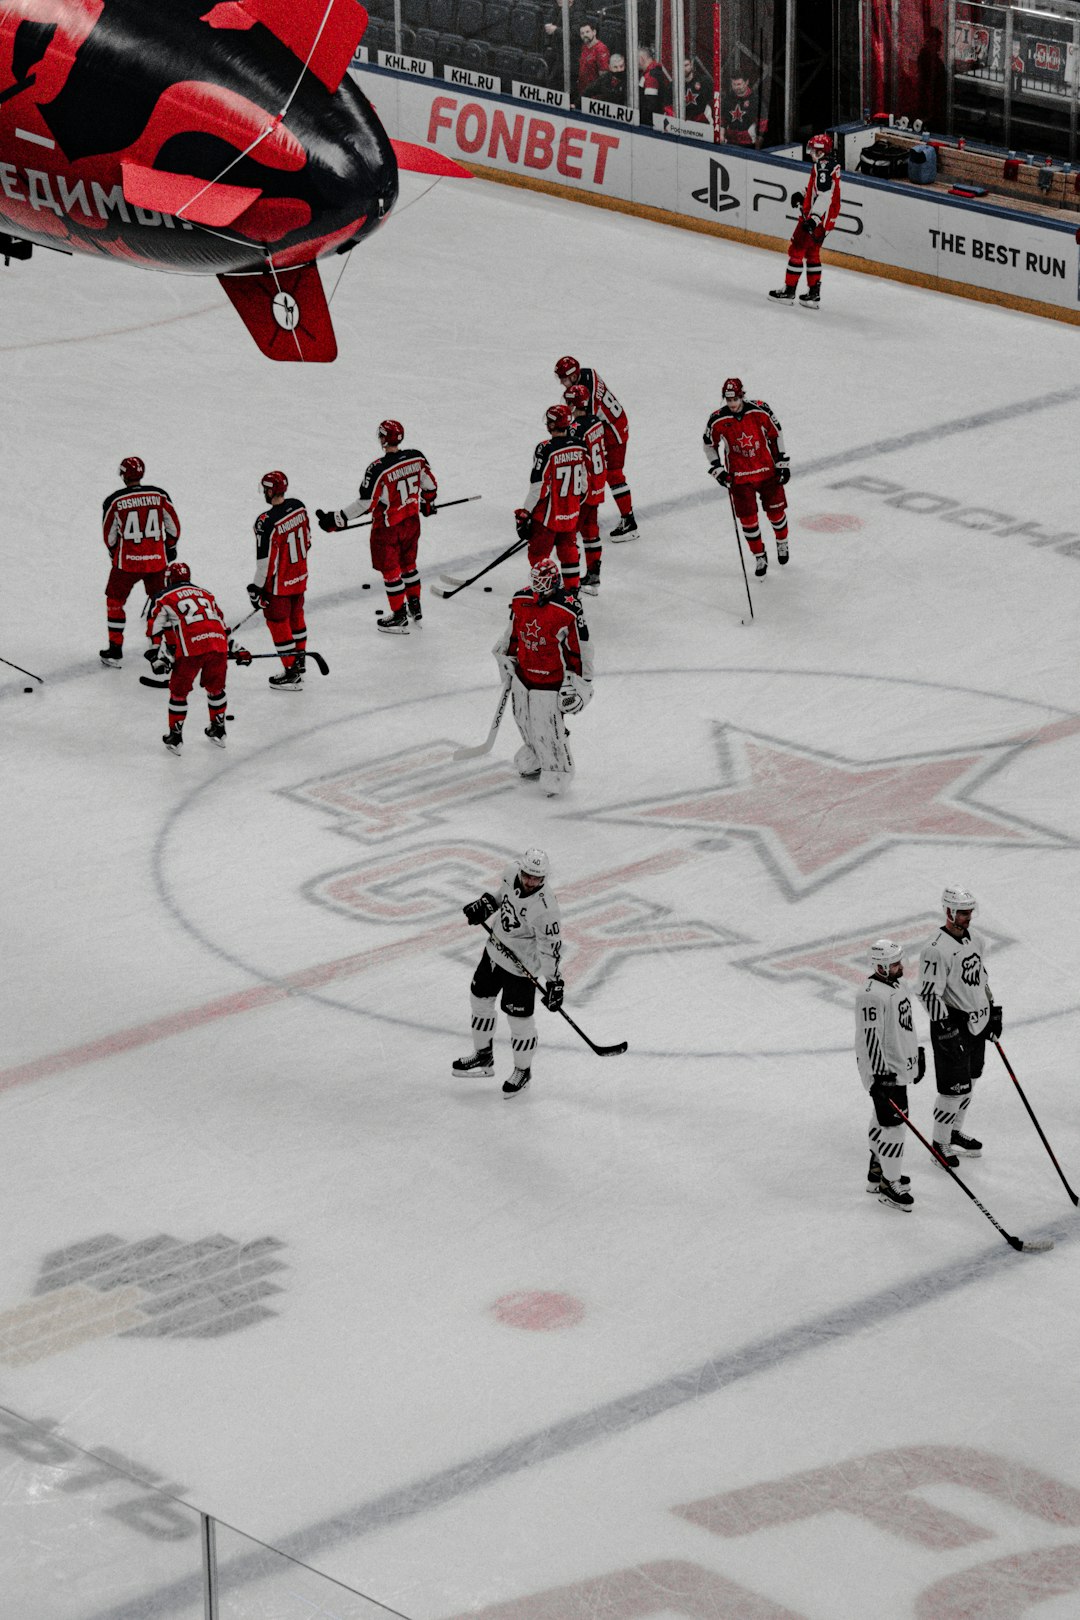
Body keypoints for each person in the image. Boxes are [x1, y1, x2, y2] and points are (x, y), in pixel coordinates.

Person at [452, 847, 565, 1096]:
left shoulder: (546, 909)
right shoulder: (510, 871)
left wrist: (555, 982)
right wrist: (486, 905)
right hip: (494, 950)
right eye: (527, 875)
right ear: (521, 869)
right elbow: (503, 896)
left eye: (536, 878)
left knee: (518, 1020)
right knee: (479, 1000)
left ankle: (522, 1071)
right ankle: (483, 1056)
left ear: (544, 878)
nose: (530, 881)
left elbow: (550, 948)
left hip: (520, 968)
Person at [316, 420, 437, 635]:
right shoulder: (416, 457)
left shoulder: (378, 469)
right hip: (411, 522)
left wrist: (337, 519)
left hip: (388, 528)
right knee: (409, 564)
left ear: (383, 438)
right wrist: (427, 504)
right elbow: (430, 486)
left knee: (391, 571)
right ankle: (415, 606)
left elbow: (365, 504)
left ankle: (399, 615)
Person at [492, 556, 593, 797]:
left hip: (550, 682)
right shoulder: (520, 599)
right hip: (523, 676)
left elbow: (581, 648)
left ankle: (558, 770)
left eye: (543, 583)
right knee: (523, 721)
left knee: (547, 727)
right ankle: (537, 755)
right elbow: (513, 632)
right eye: (535, 582)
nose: (538, 588)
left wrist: (581, 683)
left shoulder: (568, 608)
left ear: (554, 582)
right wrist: (503, 654)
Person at [918, 885, 1002, 1167]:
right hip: (953, 1026)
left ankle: (953, 1132)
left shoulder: (975, 939)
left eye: (970, 912)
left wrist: (992, 1010)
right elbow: (929, 993)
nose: (969, 917)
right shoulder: (935, 950)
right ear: (949, 911)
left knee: (970, 1081)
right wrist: (946, 1030)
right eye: (964, 913)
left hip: (977, 1022)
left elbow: (981, 978)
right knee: (953, 1089)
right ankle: (939, 1142)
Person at [855, 940, 926, 1212]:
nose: (902, 967)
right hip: (884, 1071)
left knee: (881, 1118)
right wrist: (879, 1078)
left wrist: (915, 1056)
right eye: (896, 963)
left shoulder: (896, 985)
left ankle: (877, 1168)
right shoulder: (870, 995)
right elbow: (871, 1038)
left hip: (897, 1066)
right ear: (881, 966)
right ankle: (889, 1182)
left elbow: (903, 1027)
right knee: (894, 1127)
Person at [703, 378, 790, 577]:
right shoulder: (717, 419)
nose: (731, 404)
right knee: (748, 520)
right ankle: (759, 555)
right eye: (728, 400)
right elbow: (709, 444)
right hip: (739, 478)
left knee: (777, 514)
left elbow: (776, 434)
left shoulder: (760, 410)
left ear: (742, 395)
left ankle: (782, 543)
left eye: (735, 399)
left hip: (767, 472)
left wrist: (782, 462)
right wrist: (718, 469)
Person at [99, 457, 181, 668]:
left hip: (127, 564)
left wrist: (115, 555)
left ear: (124, 475)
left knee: (115, 601)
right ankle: (168, 647)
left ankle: (115, 649)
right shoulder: (159, 495)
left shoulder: (114, 500)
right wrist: (169, 548)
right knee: (161, 604)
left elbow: (109, 537)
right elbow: (173, 528)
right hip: (156, 562)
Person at [145, 561, 231, 753]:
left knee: (178, 692)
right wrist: (235, 648)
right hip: (218, 644)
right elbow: (221, 624)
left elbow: (154, 626)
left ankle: (175, 737)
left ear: (169, 579)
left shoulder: (164, 596)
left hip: (191, 648)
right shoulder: (206, 594)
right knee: (216, 689)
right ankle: (218, 730)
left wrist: (155, 655)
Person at [553, 356, 637, 537]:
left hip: (613, 430)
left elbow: (585, 425)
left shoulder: (587, 395)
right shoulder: (586, 373)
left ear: (574, 376)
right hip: (613, 423)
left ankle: (629, 522)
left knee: (613, 474)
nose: (561, 382)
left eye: (564, 378)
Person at [515, 404, 588, 593]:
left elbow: (539, 486)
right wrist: (571, 505)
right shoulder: (580, 445)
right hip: (571, 514)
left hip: (548, 517)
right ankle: (572, 592)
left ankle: (544, 591)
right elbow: (583, 483)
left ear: (552, 424)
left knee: (538, 554)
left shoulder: (545, 449)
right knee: (569, 552)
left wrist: (525, 513)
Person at [249, 471, 311, 692]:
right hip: (300, 576)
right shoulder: (299, 506)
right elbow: (308, 540)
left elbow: (266, 563)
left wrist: (256, 589)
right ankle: (300, 661)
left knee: (278, 623)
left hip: (279, 585)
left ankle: (291, 671)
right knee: (297, 617)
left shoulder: (266, 522)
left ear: (269, 490)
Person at [769, 132, 841, 308]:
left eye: (813, 150)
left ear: (820, 151)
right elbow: (819, 190)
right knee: (812, 253)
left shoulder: (822, 167)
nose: (810, 153)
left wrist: (814, 218)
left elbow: (824, 196)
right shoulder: (827, 165)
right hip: (825, 222)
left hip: (815, 220)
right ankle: (813, 294)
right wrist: (802, 194)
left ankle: (788, 291)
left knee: (796, 250)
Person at [564, 382, 606, 593]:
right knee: (591, 531)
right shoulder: (596, 421)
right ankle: (593, 576)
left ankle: (571, 581)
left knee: (569, 534)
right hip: (598, 484)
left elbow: (576, 460)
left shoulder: (575, 429)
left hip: (585, 488)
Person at [720, 71, 766, 146]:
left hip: (749, 143)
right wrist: (721, 135)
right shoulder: (728, 99)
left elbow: (763, 122)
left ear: (746, 82)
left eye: (739, 84)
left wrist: (758, 145)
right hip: (730, 142)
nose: (736, 87)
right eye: (734, 84)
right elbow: (723, 120)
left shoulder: (755, 100)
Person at [578, 23, 610, 99]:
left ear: (594, 32)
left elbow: (603, 76)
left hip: (593, 95)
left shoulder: (601, 49)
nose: (585, 35)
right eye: (582, 33)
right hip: (583, 91)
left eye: (587, 32)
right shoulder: (584, 47)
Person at [637, 45, 664, 126]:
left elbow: (650, 106)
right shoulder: (652, 72)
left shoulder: (650, 76)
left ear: (641, 59)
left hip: (649, 124)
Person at [683, 58, 713, 124]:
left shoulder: (703, 81)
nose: (684, 68)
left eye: (686, 65)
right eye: (681, 66)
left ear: (691, 65)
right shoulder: (675, 85)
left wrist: (707, 115)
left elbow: (711, 101)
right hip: (685, 121)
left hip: (702, 120)